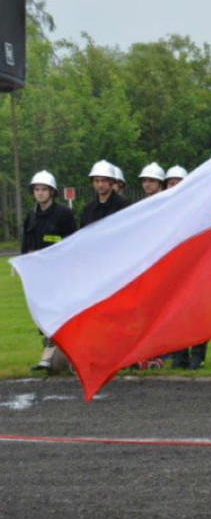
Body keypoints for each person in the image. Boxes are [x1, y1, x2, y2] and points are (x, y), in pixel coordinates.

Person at [22, 170, 78, 373]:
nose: (40, 193)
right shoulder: (31, 215)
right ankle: (48, 349)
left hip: (59, 271)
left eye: (44, 189)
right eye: (36, 189)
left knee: (61, 311)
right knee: (42, 311)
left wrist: (50, 251)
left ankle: (71, 355)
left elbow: (71, 241)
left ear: (52, 192)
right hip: (38, 273)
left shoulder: (64, 214)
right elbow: (26, 242)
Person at [80, 160, 130, 227]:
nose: (100, 185)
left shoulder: (122, 205)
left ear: (111, 181)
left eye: (104, 180)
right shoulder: (88, 208)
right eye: (97, 181)